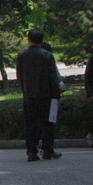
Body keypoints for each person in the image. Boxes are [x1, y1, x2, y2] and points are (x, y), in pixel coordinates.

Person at [16, 28, 62, 162]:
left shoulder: (22, 56)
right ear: (42, 40)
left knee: (31, 124)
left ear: (28, 39)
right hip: (46, 95)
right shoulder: (47, 55)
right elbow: (53, 77)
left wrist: (25, 90)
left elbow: (20, 77)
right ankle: (48, 150)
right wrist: (57, 95)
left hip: (29, 96)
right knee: (48, 123)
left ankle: (31, 151)